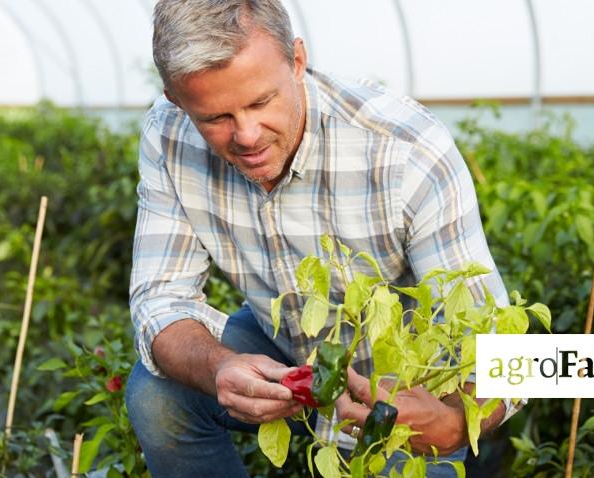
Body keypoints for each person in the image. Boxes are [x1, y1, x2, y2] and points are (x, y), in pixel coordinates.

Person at [126, 1, 521, 476]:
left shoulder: (405, 152)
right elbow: (160, 298)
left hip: (407, 395)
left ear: (297, 61)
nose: (247, 135)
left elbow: (500, 345)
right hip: (285, 356)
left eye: (260, 102)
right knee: (157, 396)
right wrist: (218, 369)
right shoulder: (168, 137)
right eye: (216, 118)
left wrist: (456, 422)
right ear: (175, 99)